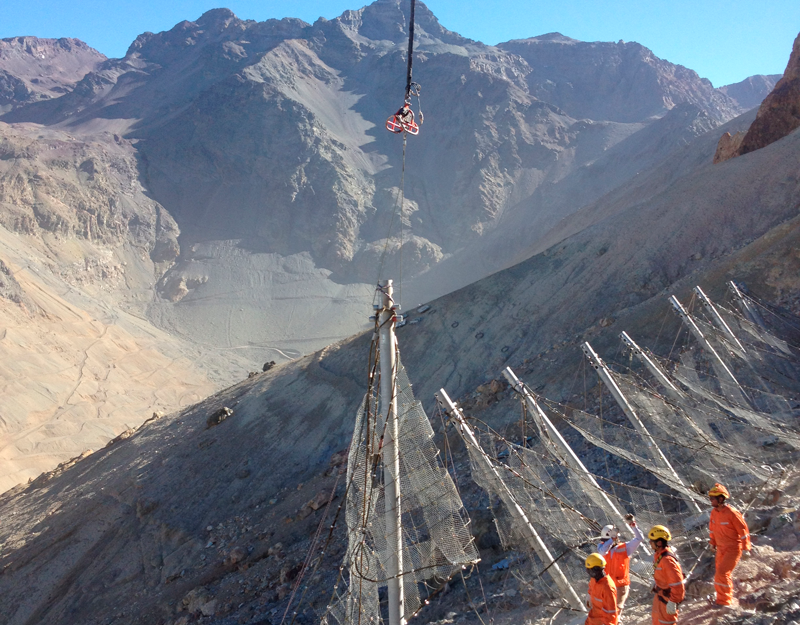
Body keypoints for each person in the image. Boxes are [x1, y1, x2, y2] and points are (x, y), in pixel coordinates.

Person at [708, 483, 751, 607]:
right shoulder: (714, 513)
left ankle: (724, 602)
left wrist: (746, 548)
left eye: (713, 498)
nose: (711, 501)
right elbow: (712, 529)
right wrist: (712, 542)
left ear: (721, 499)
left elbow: (743, 531)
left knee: (722, 574)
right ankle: (721, 599)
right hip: (721, 549)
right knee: (719, 575)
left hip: (733, 549)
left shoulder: (732, 513)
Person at [598, 514, 644, 613]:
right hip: (607, 586)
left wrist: (633, 525)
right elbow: (602, 552)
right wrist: (611, 539)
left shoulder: (625, 547)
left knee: (615, 611)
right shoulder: (602, 547)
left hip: (621, 586)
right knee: (607, 611)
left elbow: (639, 538)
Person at [648, 525, 685, 625]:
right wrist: (656, 583)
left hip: (667, 598)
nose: (650, 542)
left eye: (652, 540)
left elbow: (677, 584)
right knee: (656, 620)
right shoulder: (659, 556)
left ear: (659, 542)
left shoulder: (668, 560)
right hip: (660, 595)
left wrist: (673, 601)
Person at [584, 552, 618, 625]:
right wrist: (589, 595)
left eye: (589, 570)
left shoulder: (608, 587)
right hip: (592, 619)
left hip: (602, 621)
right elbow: (591, 587)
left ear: (596, 569)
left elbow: (611, 612)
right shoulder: (594, 579)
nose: (587, 572)